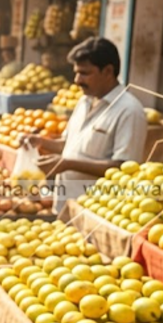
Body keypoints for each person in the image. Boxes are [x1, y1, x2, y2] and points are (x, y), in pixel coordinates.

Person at [24, 37, 147, 213]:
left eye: (84, 73)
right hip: (65, 204)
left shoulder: (129, 111)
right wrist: (41, 142)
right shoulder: (84, 102)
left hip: (96, 211)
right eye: (76, 72)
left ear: (108, 71)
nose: (77, 80)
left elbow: (124, 168)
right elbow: (68, 145)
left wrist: (68, 164)